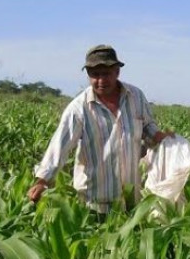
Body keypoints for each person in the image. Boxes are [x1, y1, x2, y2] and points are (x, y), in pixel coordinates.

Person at [27, 45, 172, 213]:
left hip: (132, 203)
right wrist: (42, 181)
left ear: (117, 72)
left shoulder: (136, 96)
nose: (101, 80)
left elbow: (147, 126)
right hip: (94, 205)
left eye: (106, 74)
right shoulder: (79, 109)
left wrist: (159, 137)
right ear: (88, 75)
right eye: (95, 75)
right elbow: (59, 147)